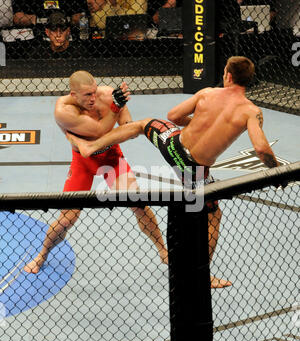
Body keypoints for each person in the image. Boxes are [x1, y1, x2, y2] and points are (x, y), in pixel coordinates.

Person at [66, 56, 285, 289]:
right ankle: (201, 274)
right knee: (212, 216)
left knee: (144, 124)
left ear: (227, 76)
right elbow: (261, 149)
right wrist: (278, 172)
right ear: (248, 80)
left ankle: (91, 146)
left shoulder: (207, 93)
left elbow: (173, 117)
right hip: (193, 169)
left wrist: (198, 123)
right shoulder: (252, 112)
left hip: (172, 144)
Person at [23, 70, 168, 274]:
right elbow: (99, 131)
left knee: (139, 205)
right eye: (87, 95)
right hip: (83, 163)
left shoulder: (108, 95)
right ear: (74, 95)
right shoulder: (63, 110)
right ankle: (41, 256)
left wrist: (118, 109)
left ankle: (163, 250)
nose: (93, 98)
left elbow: (129, 129)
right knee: (66, 219)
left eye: (94, 91)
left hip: (111, 157)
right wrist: (114, 110)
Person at [12, 0, 85, 27]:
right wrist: (37, 20)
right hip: (37, 34)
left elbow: (81, 16)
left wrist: (70, 19)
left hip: (67, 32)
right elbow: (17, 18)